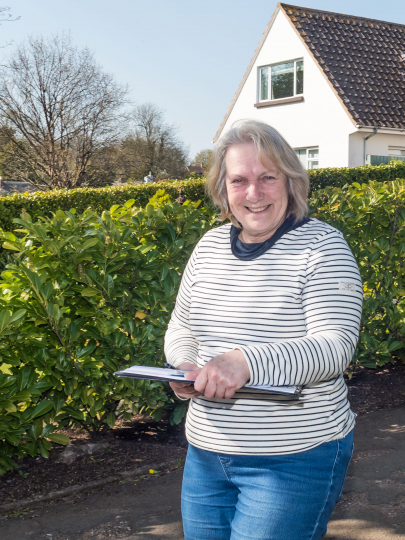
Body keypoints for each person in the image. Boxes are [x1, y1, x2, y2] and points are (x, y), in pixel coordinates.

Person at [164, 119, 363, 540]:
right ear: (224, 190)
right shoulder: (209, 247)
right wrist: (182, 365)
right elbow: (182, 323)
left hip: (294, 458)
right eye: (239, 180)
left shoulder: (323, 247)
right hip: (206, 454)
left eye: (267, 177)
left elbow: (335, 346)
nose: (253, 193)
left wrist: (245, 362)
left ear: (291, 182)